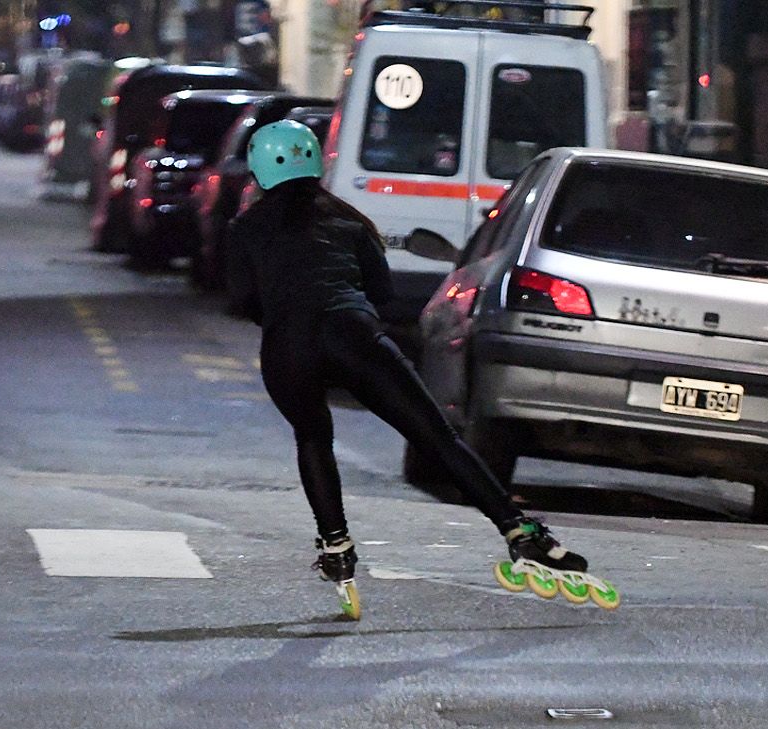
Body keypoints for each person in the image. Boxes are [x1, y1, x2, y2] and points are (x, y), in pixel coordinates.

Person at [225, 120, 599, 619]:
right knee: (438, 438)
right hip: (352, 333)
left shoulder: (244, 229)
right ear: (314, 163)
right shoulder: (350, 223)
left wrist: (284, 312)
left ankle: (336, 548)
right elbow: (380, 295)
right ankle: (521, 532)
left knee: (313, 439)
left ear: (259, 169)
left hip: (287, 347)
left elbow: (243, 299)